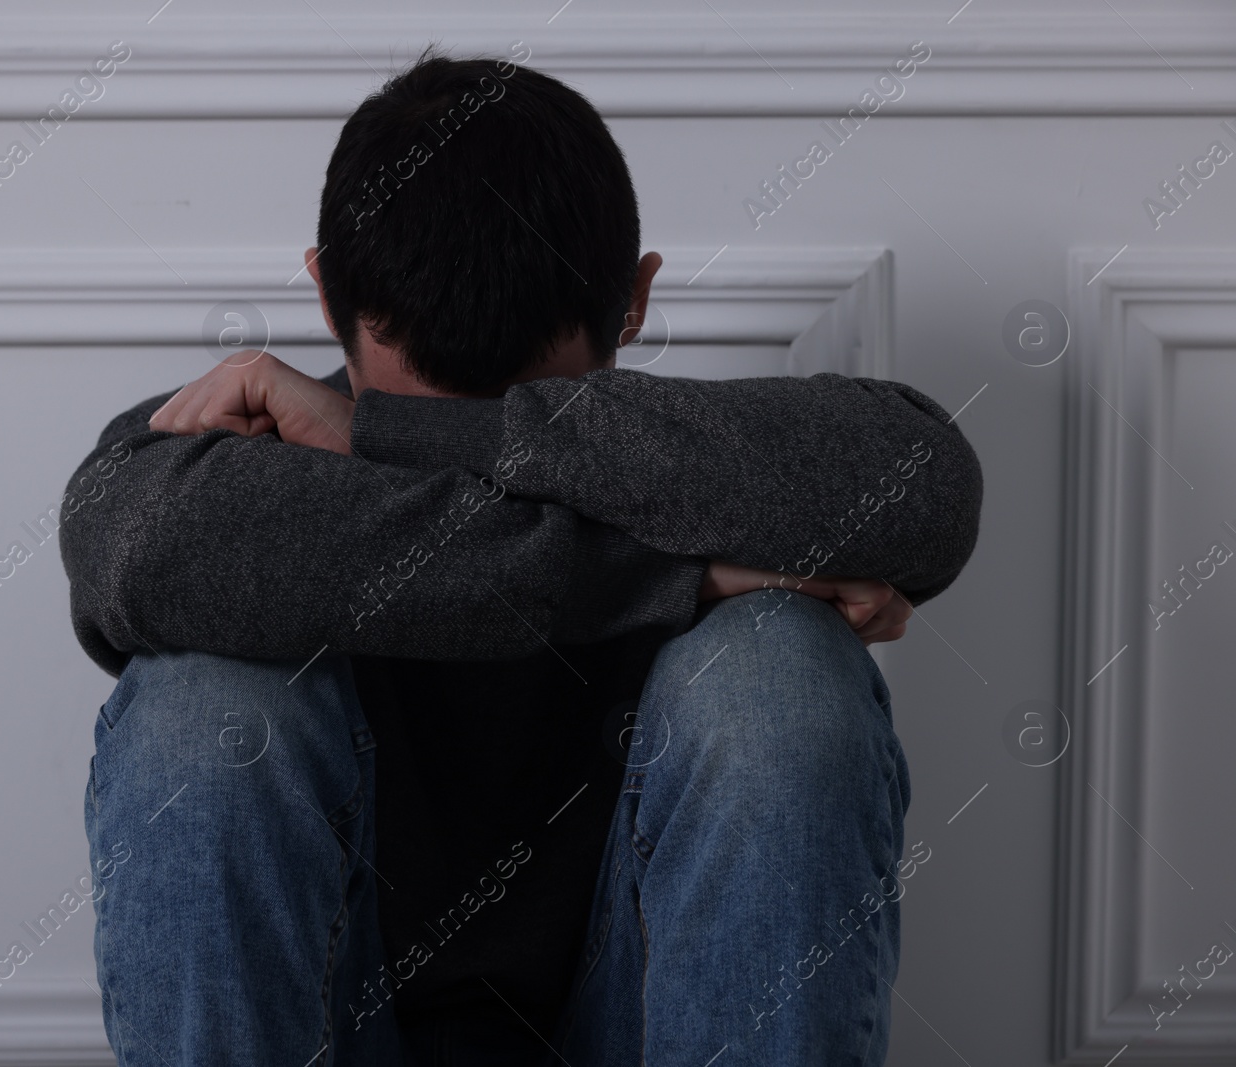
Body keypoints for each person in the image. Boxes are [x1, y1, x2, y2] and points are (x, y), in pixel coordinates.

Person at [59, 50, 982, 1067]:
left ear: (325, 293)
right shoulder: (210, 465)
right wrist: (682, 574)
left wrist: (391, 436)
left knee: (777, 672)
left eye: (530, 412)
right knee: (205, 707)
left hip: (635, 1020)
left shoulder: (680, 458)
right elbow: (141, 553)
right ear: (632, 296)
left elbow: (924, 481)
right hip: (332, 1027)